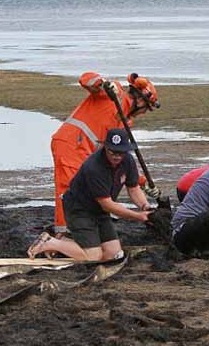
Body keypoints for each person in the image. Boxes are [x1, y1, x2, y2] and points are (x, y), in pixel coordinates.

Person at [50, 71, 160, 235]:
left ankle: (87, 225)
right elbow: (86, 79)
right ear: (139, 100)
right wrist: (102, 84)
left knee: (98, 185)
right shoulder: (115, 93)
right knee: (69, 190)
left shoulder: (123, 121)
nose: (143, 113)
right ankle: (64, 233)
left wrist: (141, 182)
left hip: (87, 153)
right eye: (146, 108)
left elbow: (121, 159)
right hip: (71, 144)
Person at [27, 128, 152, 261]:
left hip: (100, 211)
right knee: (94, 257)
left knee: (113, 254)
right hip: (80, 210)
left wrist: (144, 206)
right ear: (105, 147)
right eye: (113, 152)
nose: (117, 156)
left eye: (121, 153)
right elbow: (108, 204)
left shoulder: (128, 161)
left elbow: (133, 188)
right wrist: (138, 216)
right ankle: (50, 243)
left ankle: (61, 241)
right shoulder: (94, 167)